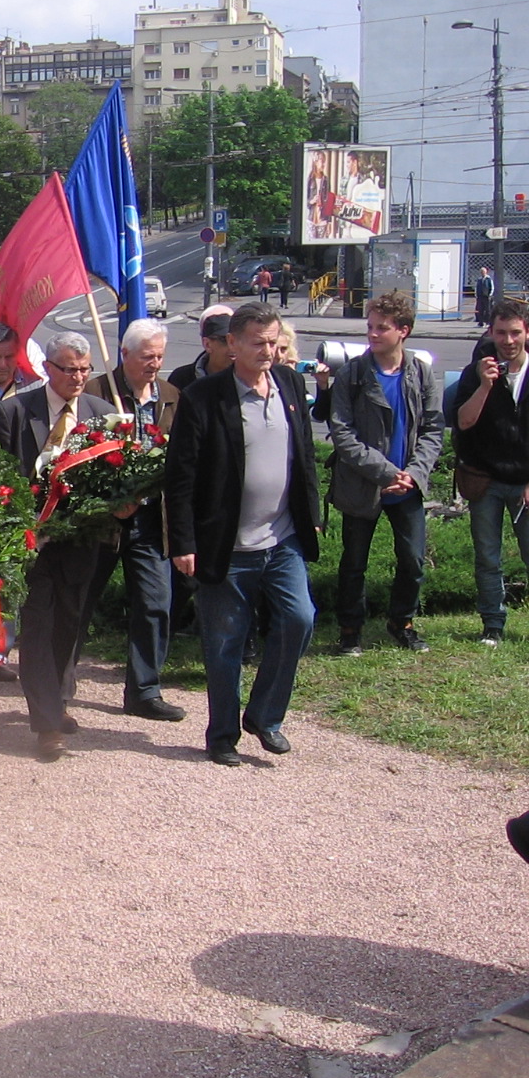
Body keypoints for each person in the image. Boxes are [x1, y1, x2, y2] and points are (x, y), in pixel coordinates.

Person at [165, 302, 321, 766]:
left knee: (299, 619)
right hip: (226, 545)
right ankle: (221, 735)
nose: (268, 351)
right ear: (232, 344)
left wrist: (311, 513)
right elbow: (181, 477)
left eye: (274, 342)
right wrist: (183, 541)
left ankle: (265, 716)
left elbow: (305, 455)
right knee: (225, 644)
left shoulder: (290, 384)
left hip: (283, 539)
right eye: (258, 343)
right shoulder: (204, 397)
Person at [0, 332, 118, 760]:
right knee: (39, 627)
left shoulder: (102, 414)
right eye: (69, 369)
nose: (78, 377)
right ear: (48, 369)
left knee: (70, 623)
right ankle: (46, 723)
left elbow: (113, 478)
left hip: (83, 541)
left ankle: (57, 698)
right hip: (32, 544)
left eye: (84, 370)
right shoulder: (13, 412)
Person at [328, 293, 445, 656]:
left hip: (407, 487)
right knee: (353, 563)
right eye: (370, 327)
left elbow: (433, 428)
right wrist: (385, 472)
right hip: (363, 485)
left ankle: (402, 622)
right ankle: (350, 630)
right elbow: (342, 433)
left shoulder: (420, 371)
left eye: (382, 328)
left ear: (403, 331)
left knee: (412, 560)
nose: (373, 334)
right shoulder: (353, 374)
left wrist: (413, 473)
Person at [81, 319, 185, 720]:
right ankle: (59, 680)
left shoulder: (172, 396)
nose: (154, 364)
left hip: (150, 520)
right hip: (104, 519)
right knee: (81, 599)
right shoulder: (97, 392)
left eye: (159, 356)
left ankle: (144, 690)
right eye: (146, 357)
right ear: (124, 355)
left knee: (156, 600)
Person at [452, 299, 529, 646]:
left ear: (526, 333)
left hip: (524, 481)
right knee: (488, 556)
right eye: (501, 333)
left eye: (515, 333)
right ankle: (493, 625)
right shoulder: (477, 372)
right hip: (486, 479)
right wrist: (484, 385)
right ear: (491, 333)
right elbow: (464, 422)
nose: (508, 341)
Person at [167, 311, 234, 391]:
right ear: (207, 344)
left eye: (237, 340)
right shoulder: (181, 378)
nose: (233, 347)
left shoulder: (247, 379)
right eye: (225, 341)